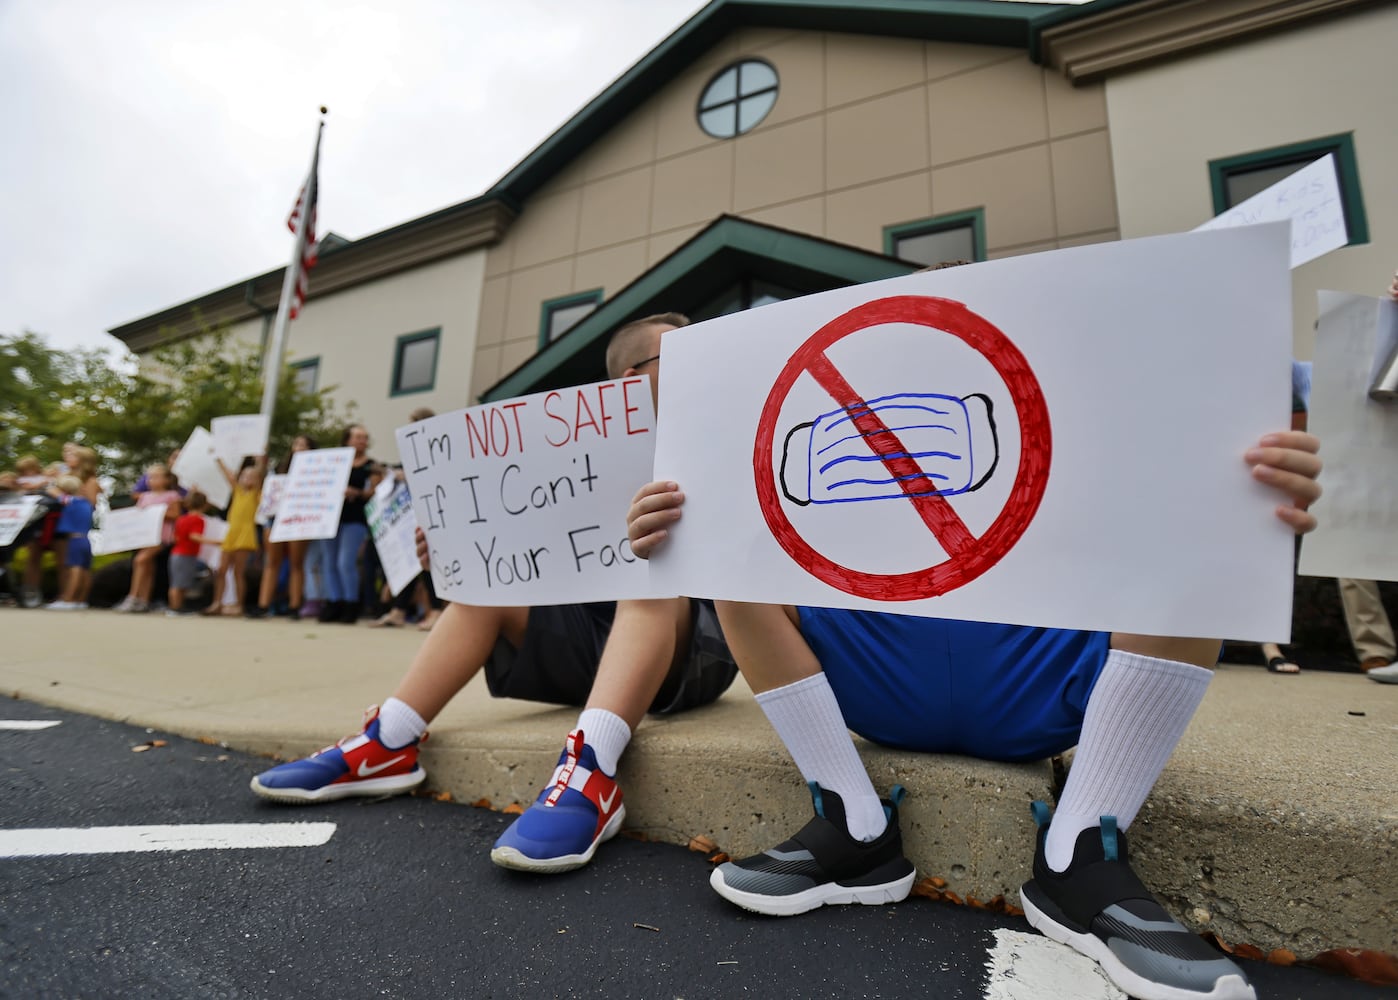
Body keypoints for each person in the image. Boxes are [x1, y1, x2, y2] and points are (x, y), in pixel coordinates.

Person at [626, 425, 1321, 1000]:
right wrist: (680, 534)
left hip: (1040, 662)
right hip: (883, 663)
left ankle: (1081, 855)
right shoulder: (845, 437)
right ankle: (854, 823)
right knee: (730, 556)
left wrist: (1252, 501)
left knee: (1209, 540)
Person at [250, 313, 741, 874]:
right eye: (682, 354)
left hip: (691, 650)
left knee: (651, 570)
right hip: (591, 645)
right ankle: (390, 739)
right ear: (631, 376)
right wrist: (461, 557)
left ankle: (591, 773)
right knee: (483, 593)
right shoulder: (558, 454)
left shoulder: (715, 434)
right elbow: (524, 560)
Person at [317, 425, 380, 624]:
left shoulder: (371, 465)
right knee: (330, 562)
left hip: (355, 518)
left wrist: (357, 493)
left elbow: (374, 491)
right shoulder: (334, 462)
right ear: (347, 440)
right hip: (330, 518)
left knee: (346, 562)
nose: (362, 441)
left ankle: (350, 603)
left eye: (365, 437)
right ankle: (334, 602)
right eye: (358, 437)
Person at [253, 436, 314, 619]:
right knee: (271, 562)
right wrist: (260, 462)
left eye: (304, 445)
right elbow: (263, 486)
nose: (299, 447)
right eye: (296, 444)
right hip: (275, 518)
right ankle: (263, 604)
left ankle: (295, 605)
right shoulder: (280, 469)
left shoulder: (316, 470)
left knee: (296, 563)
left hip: (299, 518)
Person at [114, 464, 183, 613]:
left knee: (140, 560)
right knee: (148, 567)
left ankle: (133, 597)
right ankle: (144, 600)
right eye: (150, 477)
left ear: (166, 479)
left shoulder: (172, 495)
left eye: (156, 477)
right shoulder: (145, 496)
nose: (152, 480)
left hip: (161, 536)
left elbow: (176, 515)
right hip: (145, 536)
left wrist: (157, 513)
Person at [43, 475, 95, 611]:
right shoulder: (86, 503)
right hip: (86, 539)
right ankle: (82, 600)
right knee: (85, 570)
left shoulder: (71, 501)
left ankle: (68, 599)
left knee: (74, 569)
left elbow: (51, 491)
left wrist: (52, 482)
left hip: (74, 539)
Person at [167, 491, 212, 617]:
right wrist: (217, 542)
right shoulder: (198, 520)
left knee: (178, 582)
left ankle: (177, 607)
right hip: (186, 554)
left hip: (176, 553)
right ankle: (175, 608)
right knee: (180, 583)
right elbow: (195, 536)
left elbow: (175, 537)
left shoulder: (181, 519)